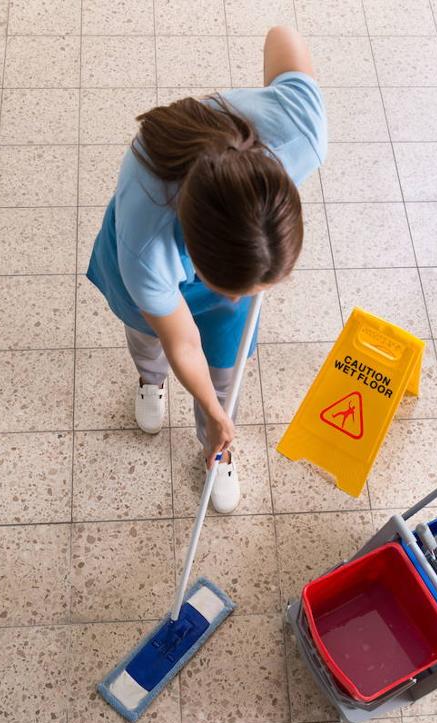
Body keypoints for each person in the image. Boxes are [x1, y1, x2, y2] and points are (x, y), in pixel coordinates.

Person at [86, 26, 327, 513]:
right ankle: (149, 380)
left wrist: (217, 416)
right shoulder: (147, 244)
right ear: (194, 252)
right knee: (148, 337)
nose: (240, 300)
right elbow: (182, 340)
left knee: (225, 364)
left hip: (228, 246)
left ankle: (214, 448)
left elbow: (283, 35)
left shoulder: (301, 132)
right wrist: (217, 412)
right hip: (149, 266)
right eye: (234, 290)